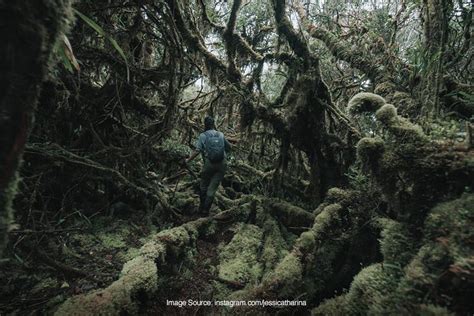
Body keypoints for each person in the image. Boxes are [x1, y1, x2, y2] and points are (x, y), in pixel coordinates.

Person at [186, 116, 231, 215]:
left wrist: (188, 160)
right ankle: (206, 211)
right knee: (212, 189)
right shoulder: (221, 134)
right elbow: (229, 147)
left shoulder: (203, 135)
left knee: (203, 186)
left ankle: (201, 208)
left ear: (205, 124)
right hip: (222, 164)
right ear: (213, 124)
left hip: (209, 164)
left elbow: (197, 151)